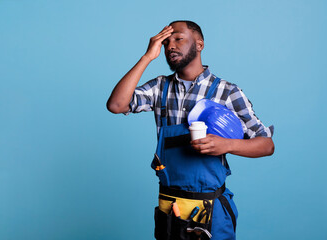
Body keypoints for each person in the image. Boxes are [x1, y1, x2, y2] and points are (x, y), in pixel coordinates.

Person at [107, 20, 274, 240]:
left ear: (199, 44)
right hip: (170, 208)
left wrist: (228, 144)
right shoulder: (160, 88)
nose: (170, 46)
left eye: (178, 38)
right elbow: (116, 105)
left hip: (210, 211)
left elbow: (267, 145)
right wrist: (147, 57)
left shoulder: (226, 92)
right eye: (166, 42)